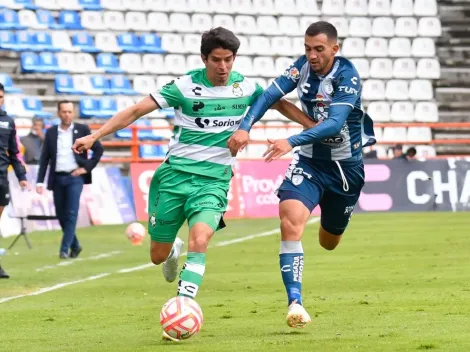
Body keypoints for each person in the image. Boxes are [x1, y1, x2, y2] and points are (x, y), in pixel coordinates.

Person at [71, 27, 314, 341]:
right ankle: (173, 248)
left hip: (213, 182)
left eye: (229, 59)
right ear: (204, 58)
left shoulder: (245, 87)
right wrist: (95, 135)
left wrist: (313, 126)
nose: (223, 66)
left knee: (201, 238)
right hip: (173, 179)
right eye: (216, 60)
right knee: (157, 255)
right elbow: (135, 110)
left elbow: (279, 103)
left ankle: (184, 303)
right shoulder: (183, 87)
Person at [228, 21, 376, 328]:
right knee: (289, 220)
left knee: (329, 241)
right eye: (307, 48)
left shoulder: (347, 76)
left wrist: (288, 141)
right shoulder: (302, 68)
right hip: (309, 163)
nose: (311, 55)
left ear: (335, 49)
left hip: (345, 170)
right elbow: (269, 95)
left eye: (319, 49)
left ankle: (332, 218)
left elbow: (334, 124)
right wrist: (245, 127)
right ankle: (295, 302)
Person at [36, 100, 103, 259]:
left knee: (71, 213)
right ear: (59, 113)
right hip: (57, 177)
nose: (67, 115)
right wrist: (39, 181)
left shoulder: (82, 129)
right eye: (64, 111)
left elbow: (98, 149)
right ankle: (76, 245)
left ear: (73, 113)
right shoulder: (51, 132)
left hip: (75, 178)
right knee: (61, 215)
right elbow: (45, 158)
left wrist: (85, 168)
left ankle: (64, 250)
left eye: (70, 111)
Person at [0, 83, 29, 278]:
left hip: (1, 177)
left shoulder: (8, 121)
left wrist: (21, 176)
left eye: (0, 97)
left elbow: (14, 152)